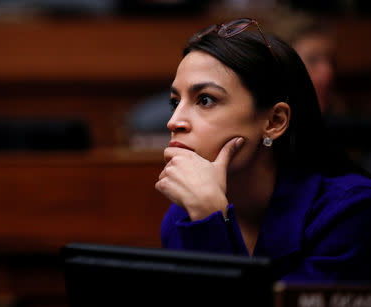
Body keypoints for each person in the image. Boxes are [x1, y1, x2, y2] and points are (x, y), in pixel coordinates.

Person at [155, 18, 371, 282]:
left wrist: (210, 220)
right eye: (175, 102)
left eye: (206, 100)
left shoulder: (350, 212)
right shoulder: (182, 216)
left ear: (274, 122)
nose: (174, 121)